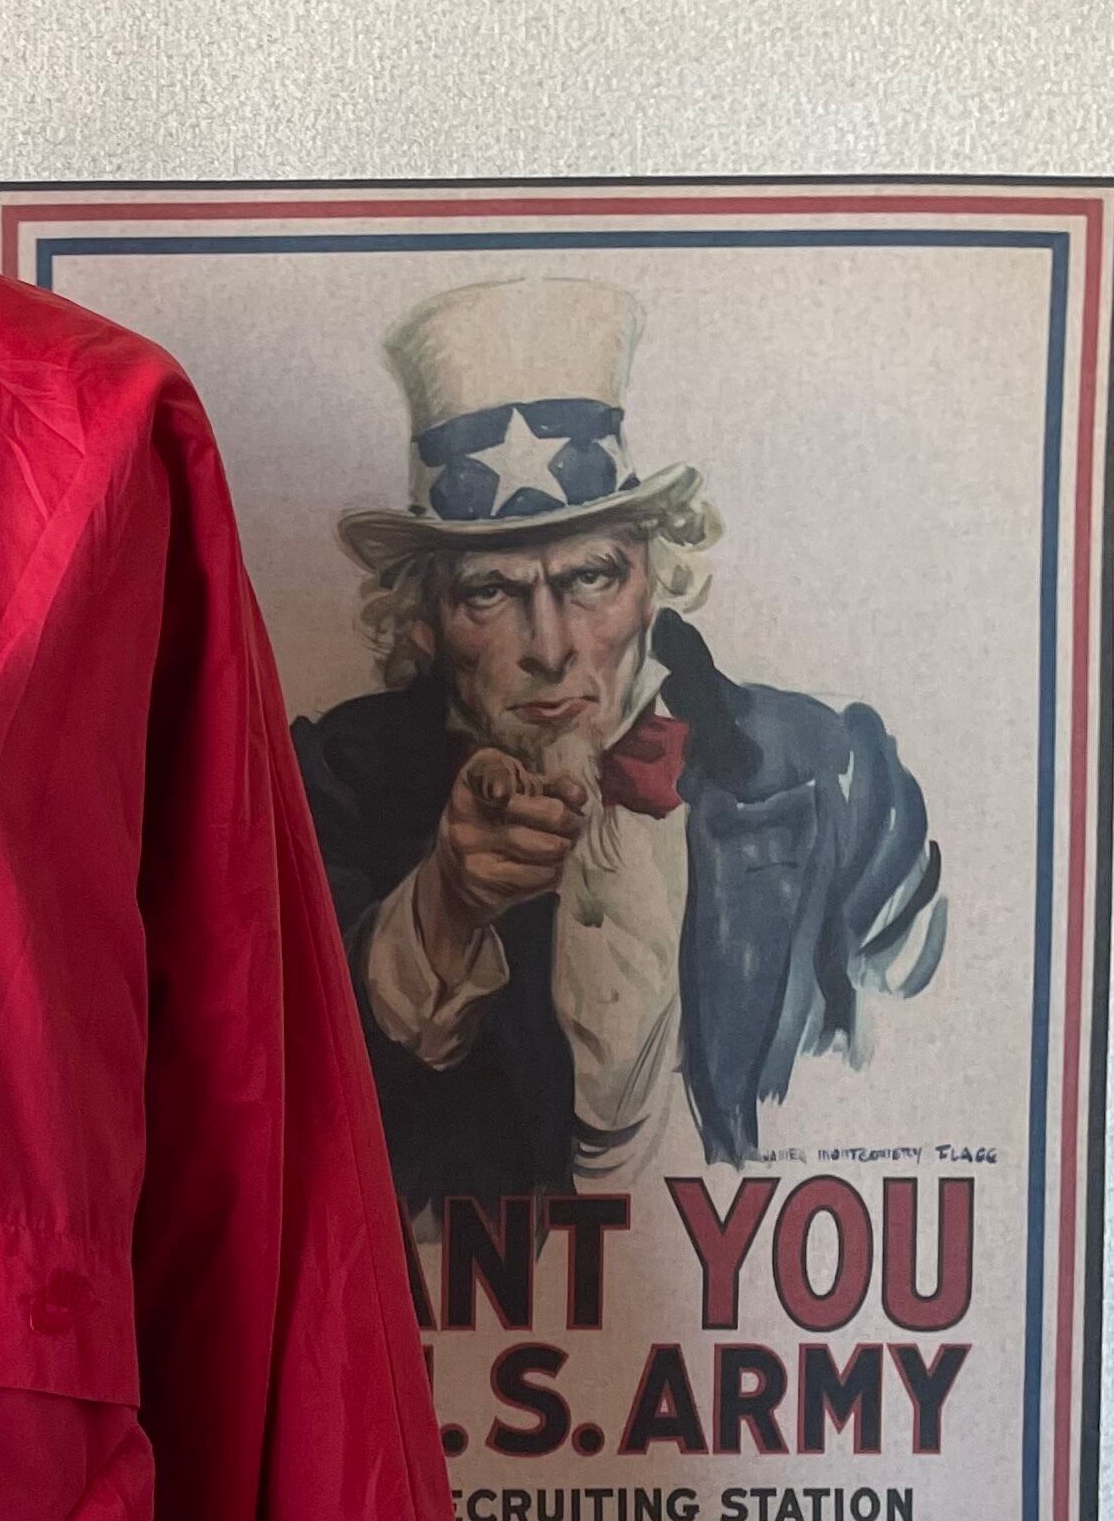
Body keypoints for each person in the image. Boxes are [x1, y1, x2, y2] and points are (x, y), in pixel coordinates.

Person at [291, 276, 946, 1216]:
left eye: (591, 576)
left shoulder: (836, 773)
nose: (552, 646)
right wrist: (445, 908)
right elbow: (284, 1091)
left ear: (656, 577)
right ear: (424, 618)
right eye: (490, 591)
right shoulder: (329, 782)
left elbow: (916, 1075)